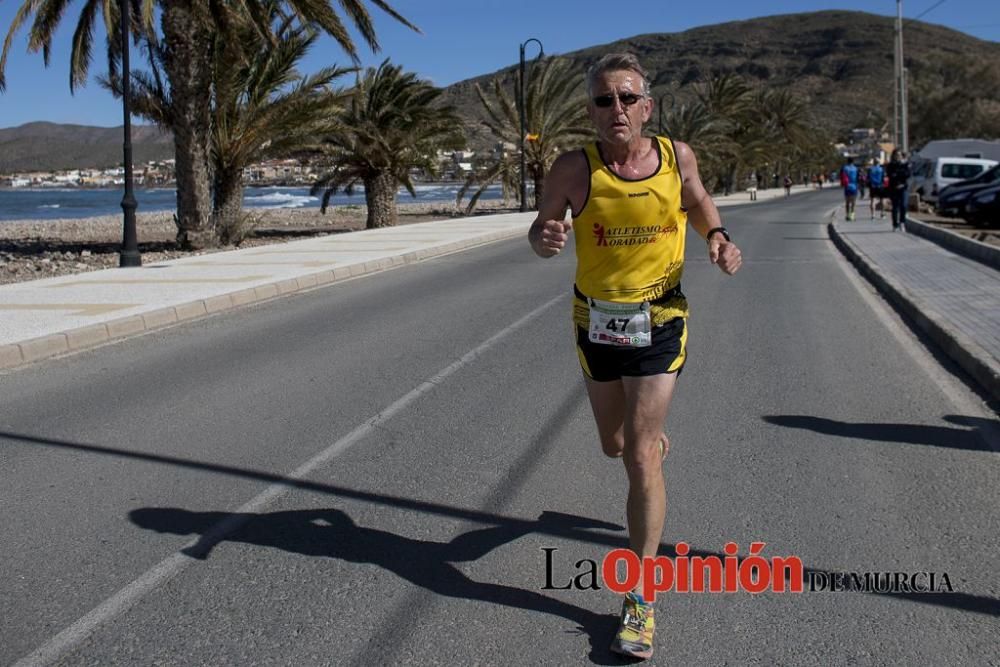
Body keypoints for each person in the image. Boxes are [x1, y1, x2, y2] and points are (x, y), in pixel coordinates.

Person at [528, 53, 742, 661]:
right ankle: (642, 445)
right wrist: (545, 239)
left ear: (647, 106)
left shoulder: (678, 158)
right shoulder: (574, 169)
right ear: (591, 112)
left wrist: (719, 238)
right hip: (595, 322)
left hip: (661, 319)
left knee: (641, 455)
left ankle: (641, 596)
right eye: (603, 100)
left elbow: (699, 202)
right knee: (614, 445)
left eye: (626, 98)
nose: (615, 109)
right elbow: (542, 232)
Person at [886, 149, 911, 231]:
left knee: (904, 205)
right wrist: (899, 174)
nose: (898, 157)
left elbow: (907, 174)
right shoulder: (890, 165)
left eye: (899, 155)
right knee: (895, 207)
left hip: (903, 187)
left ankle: (902, 222)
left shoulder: (905, 164)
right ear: (893, 156)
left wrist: (898, 174)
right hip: (894, 188)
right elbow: (891, 175)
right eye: (896, 155)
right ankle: (895, 224)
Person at [840, 156, 860, 221]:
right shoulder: (856, 168)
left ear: (847, 161)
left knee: (847, 202)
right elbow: (858, 178)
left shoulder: (844, 168)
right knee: (853, 202)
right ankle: (852, 216)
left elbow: (841, 176)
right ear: (853, 161)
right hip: (854, 186)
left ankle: (847, 215)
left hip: (847, 186)